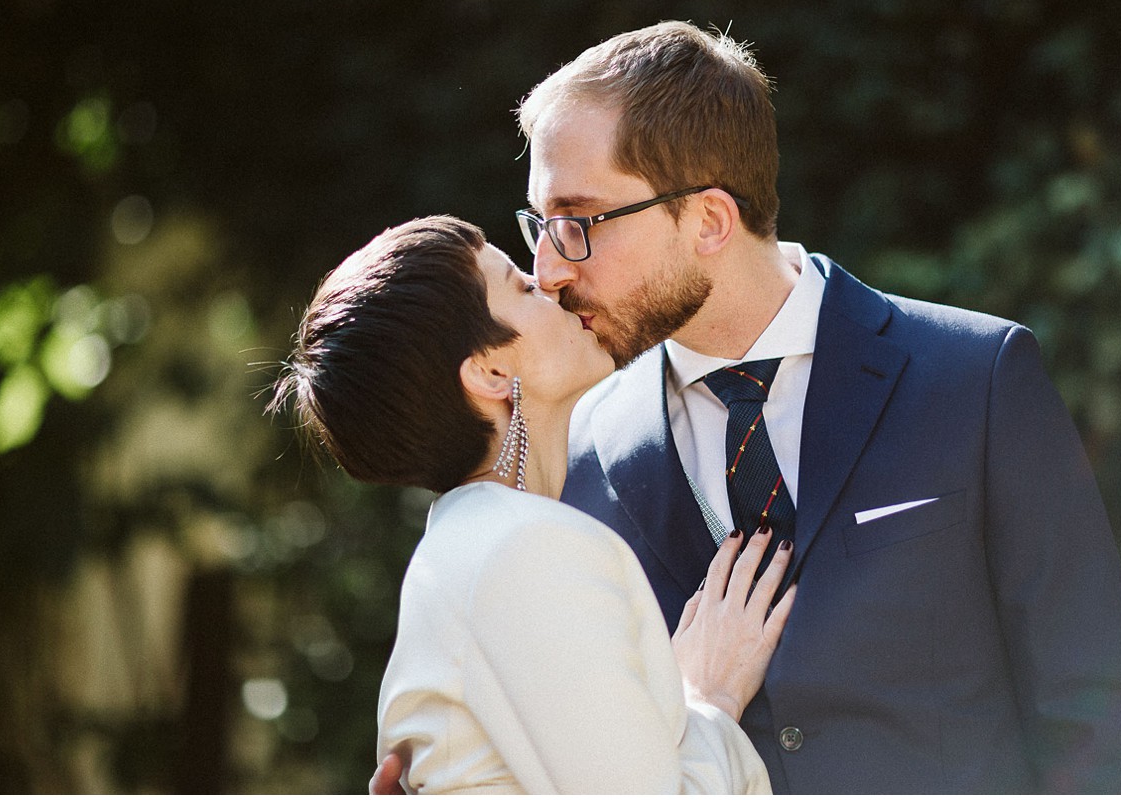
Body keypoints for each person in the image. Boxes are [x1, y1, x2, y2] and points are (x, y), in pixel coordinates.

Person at [372, 21, 1121, 794]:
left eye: (579, 224)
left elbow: (1090, 708)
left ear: (710, 220)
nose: (548, 270)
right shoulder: (572, 456)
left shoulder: (976, 379)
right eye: (541, 225)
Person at [274, 216, 797, 794]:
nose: (549, 282)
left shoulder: (472, 547)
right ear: (490, 370)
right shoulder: (524, 551)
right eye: (521, 286)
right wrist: (711, 701)